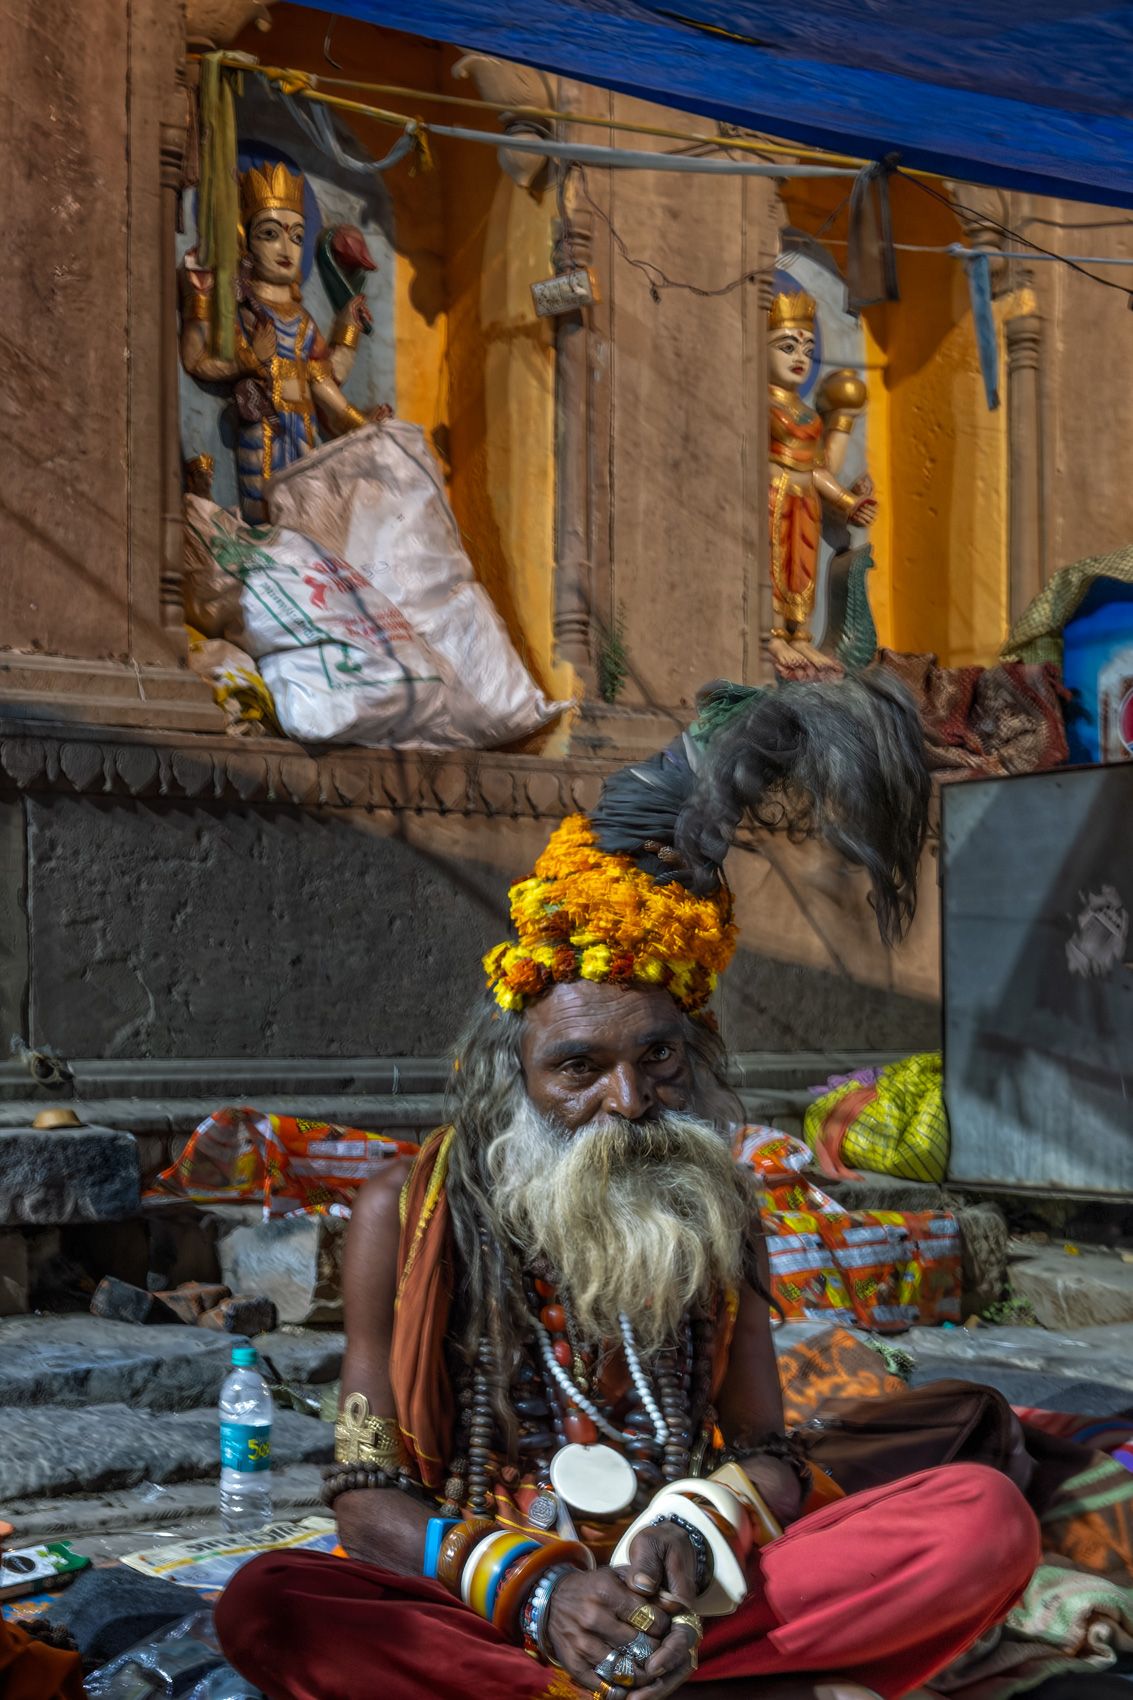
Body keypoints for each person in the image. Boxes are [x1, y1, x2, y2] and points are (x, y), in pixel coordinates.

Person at [215, 675, 1040, 1700]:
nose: (629, 1099)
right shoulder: (408, 1210)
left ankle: (644, 1678)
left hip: (693, 1591)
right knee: (270, 1600)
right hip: (496, 1594)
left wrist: (700, 1518)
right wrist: (542, 1589)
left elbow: (768, 1451)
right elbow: (364, 1494)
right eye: (578, 1068)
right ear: (510, 1077)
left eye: (658, 1058)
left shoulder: (710, 1201)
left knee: (979, 1518)